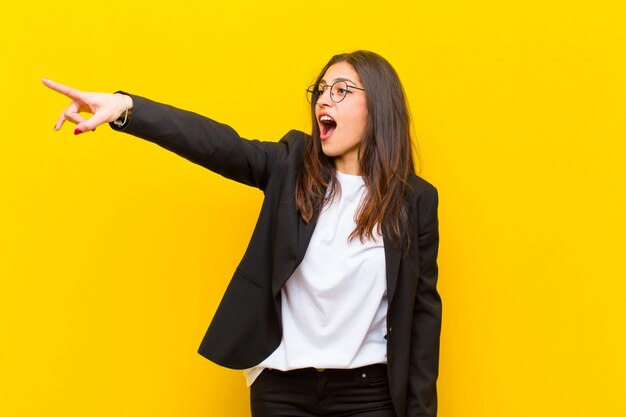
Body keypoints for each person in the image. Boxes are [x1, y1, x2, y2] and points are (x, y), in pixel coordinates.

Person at [43, 50, 441, 417]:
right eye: (320, 91)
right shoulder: (292, 166)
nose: (323, 100)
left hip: (368, 393)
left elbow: (423, 315)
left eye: (341, 90)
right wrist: (128, 108)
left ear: (380, 105)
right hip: (283, 390)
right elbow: (218, 145)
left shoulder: (414, 201)